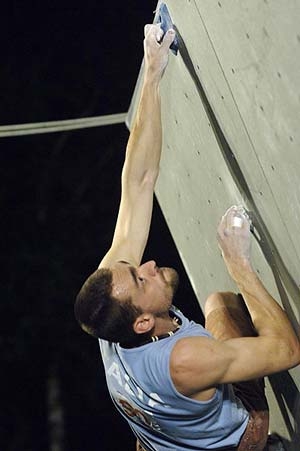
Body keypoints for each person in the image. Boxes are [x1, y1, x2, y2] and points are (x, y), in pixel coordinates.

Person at [74, 23, 300, 451]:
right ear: (142, 322)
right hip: (235, 441)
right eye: (142, 280)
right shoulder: (185, 360)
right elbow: (287, 350)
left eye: (133, 268)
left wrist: (153, 70)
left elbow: (138, 181)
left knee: (218, 307)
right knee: (225, 304)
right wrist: (238, 263)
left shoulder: (112, 308)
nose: (146, 265)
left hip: (161, 438)